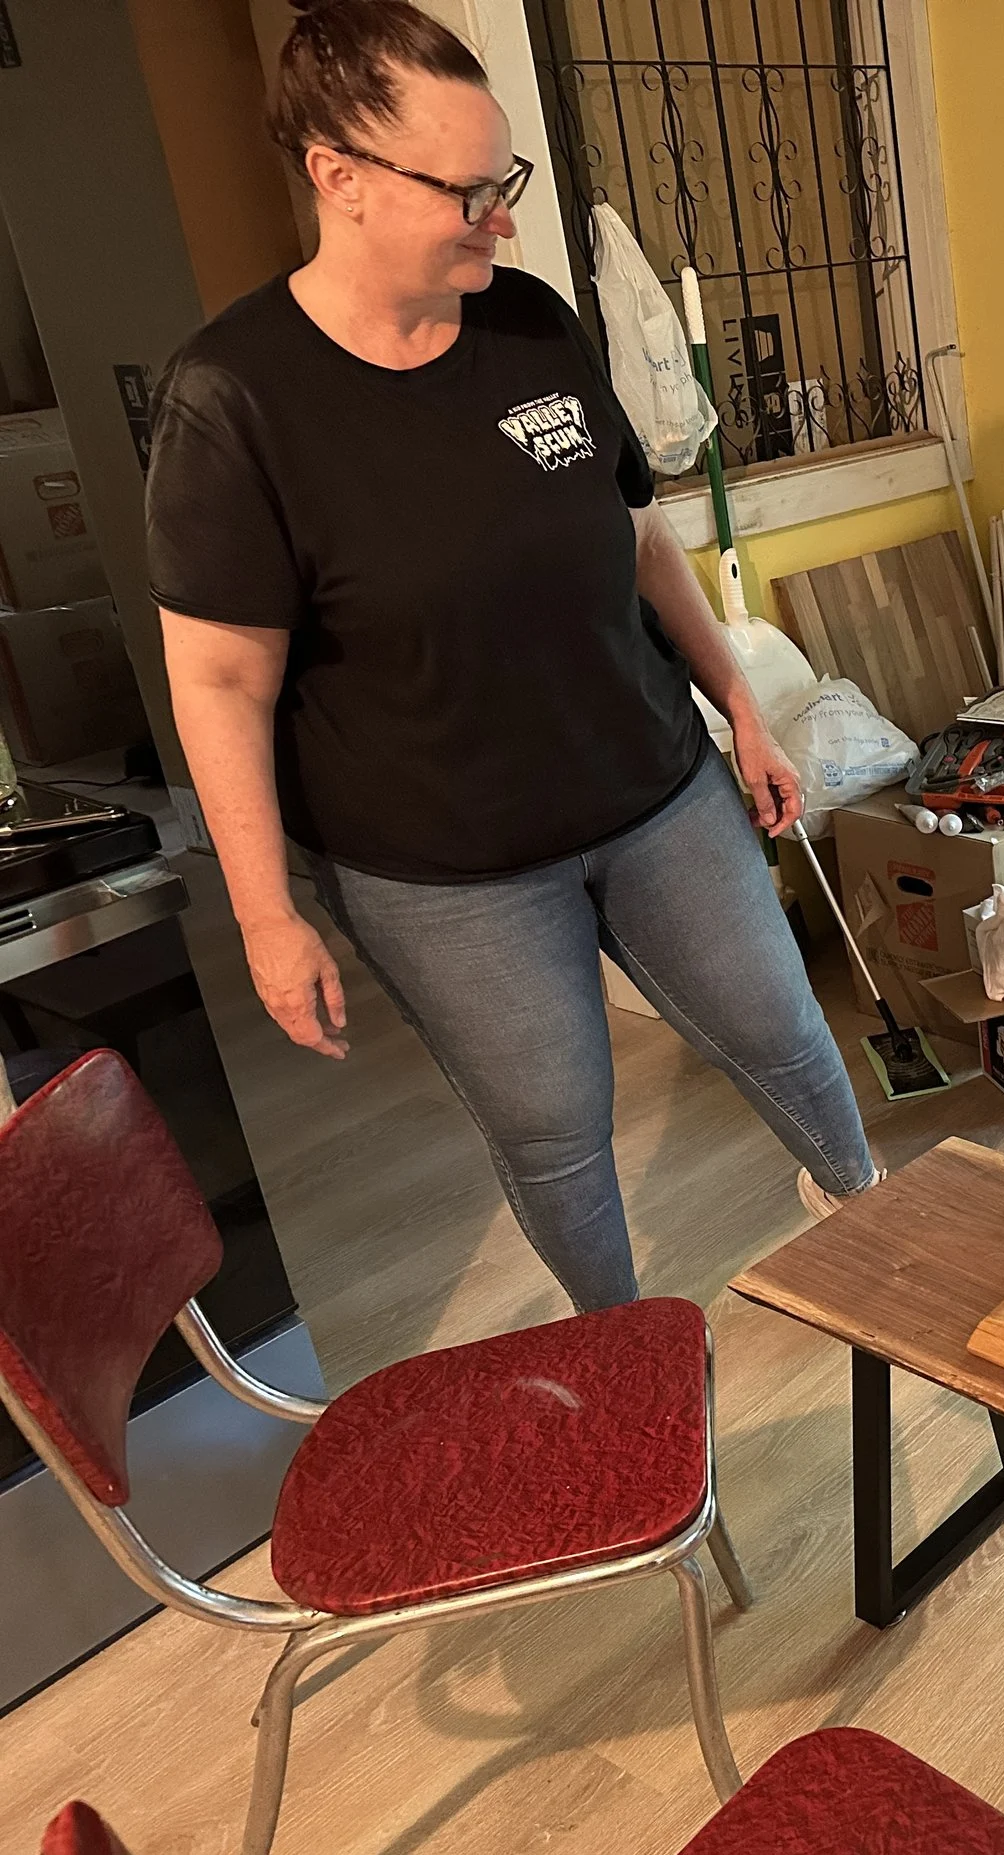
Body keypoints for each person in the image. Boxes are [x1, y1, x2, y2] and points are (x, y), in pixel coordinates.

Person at [148, 0, 877, 1314]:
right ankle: (624, 1353)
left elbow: (637, 535)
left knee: (784, 1030)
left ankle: (873, 1229)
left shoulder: (530, 321)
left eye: (506, 183)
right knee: (554, 1128)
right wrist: (265, 914)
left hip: (656, 790)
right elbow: (219, 680)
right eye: (469, 192)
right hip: (444, 872)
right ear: (339, 176)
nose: (502, 220)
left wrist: (741, 707)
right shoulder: (235, 399)